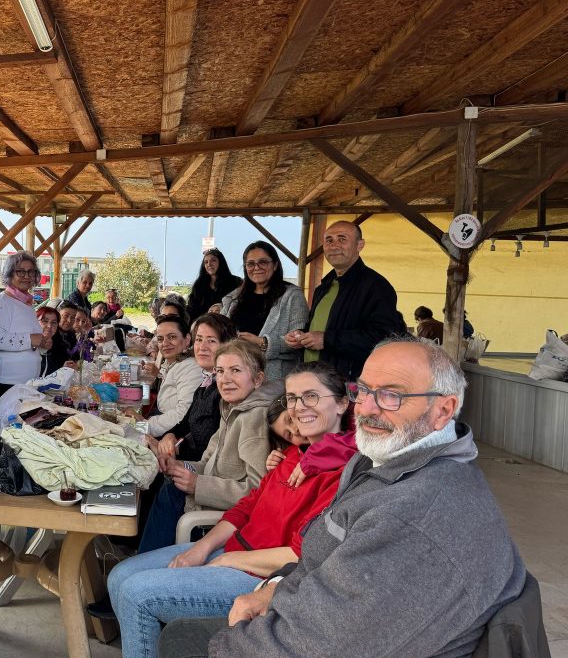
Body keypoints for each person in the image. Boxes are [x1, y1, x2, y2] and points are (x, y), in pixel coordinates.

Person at [149, 340, 526, 658]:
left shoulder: (418, 510)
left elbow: (330, 646)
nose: (368, 409)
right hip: (319, 627)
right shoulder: (383, 465)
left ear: (443, 410)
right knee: (178, 636)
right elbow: (319, 559)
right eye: (364, 391)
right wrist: (271, 591)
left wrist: (228, 649)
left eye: (391, 395)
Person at [108, 361, 349, 658]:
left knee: (137, 594)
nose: (299, 407)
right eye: (293, 398)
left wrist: (229, 559)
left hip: (260, 577)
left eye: (311, 396)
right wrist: (202, 548)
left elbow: (300, 555)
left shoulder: (342, 474)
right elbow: (246, 507)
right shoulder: (295, 452)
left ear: (342, 404)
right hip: (233, 552)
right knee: (120, 576)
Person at [138, 339, 278, 553]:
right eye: (220, 371)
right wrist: (179, 467)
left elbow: (258, 492)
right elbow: (207, 463)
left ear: (258, 379)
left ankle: (146, 563)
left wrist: (198, 485)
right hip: (207, 504)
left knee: (169, 492)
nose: (225, 379)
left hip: (219, 524)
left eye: (235, 370)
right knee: (165, 482)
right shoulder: (231, 407)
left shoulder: (255, 418)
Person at [284, 220, 404, 381]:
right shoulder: (324, 287)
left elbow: (383, 338)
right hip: (314, 378)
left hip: (347, 383)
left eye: (342, 239)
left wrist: (326, 340)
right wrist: (301, 336)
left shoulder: (376, 286)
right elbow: (324, 327)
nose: (334, 245)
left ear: (360, 245)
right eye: (329, 240)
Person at [155, 314, 238, 463]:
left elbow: (208, 453)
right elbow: (184, 424)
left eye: (211, 341)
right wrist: (170, 435)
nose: (202, 347)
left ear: (228, 345)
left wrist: (172, 453)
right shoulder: (206, 384)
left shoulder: (227, 392)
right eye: (199, 339)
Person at [221, 241, 309, 381]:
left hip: (274, 380)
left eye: (263, 262)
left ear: (275, 265)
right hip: (234, 376)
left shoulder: (292, 296)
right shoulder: (234, 298)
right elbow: (219, 332)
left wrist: (263, 343)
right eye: (250, 264)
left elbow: (298, 341)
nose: (256, 267)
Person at [134, 315, 205, 439]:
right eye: (160, 339)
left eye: (172, 337)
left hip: (171, 434)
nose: (165, 343)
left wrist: (142, 426)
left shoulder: (191, 368)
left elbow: (182, 414)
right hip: (160, 421)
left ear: (187, 339)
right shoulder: (173, 361)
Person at [0, 251, 43, 395]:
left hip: (25, 383)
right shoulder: (2, 302)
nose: (27, 276)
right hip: (7, 383)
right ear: (9, 274)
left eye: (31, 272)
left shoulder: (25, 302)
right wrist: (30, 339)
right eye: (20, 271)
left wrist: (41, 343)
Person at [186, 248, 241, 323]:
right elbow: (192, 310)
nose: (209, 264)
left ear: (221, 262)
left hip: (227, 326)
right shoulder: (199, 285)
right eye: (206, 262)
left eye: (213, 260)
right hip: (203, 326)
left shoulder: (235, 282)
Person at [36, 306, 70, 376]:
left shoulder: (55, 346)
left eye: (54, 322)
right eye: (45, 321)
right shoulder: (26, 344)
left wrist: (63, 369)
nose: (49, 326)